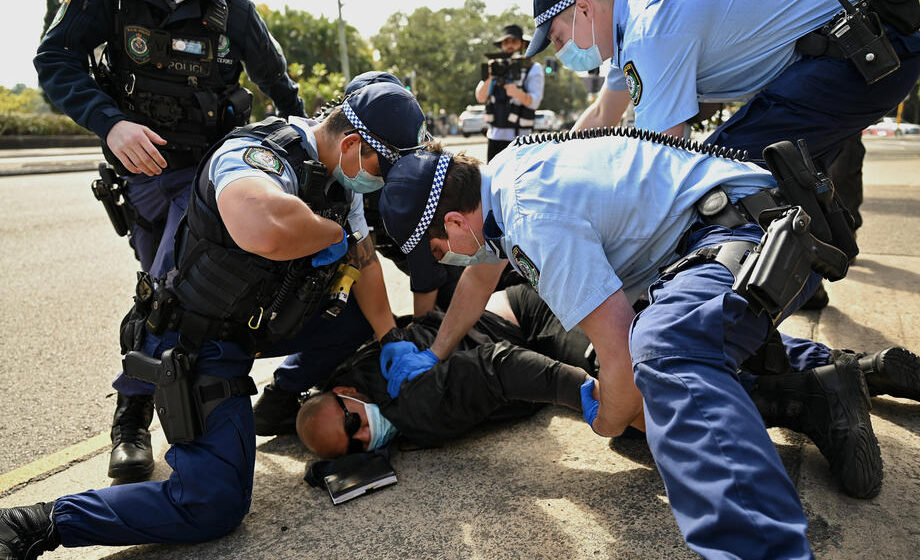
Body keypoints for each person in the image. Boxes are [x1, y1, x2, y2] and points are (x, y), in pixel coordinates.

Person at [373, 133, 913, 558]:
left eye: (440, 249)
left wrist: (607, 417)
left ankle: (762, 549)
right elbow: (478, 279)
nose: (447, 260)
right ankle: (827, 384)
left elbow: (622, 358)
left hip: (744, 233)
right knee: (653, 380)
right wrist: (436, 353)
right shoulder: (503, 179)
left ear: (451, 220)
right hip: (728, 228)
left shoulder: (530, 218)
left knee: (664, 352)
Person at [0, 82, 425, 558]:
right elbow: (260, 225)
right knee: (213, 505)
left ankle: (281, 400)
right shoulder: (257, 154)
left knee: (359, 319)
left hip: (260, 323)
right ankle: (36, 523)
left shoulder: (342, 180)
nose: (382, 183)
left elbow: (365, 262)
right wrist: (332, 232)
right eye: (382, 170)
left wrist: (393, 339)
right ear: (353, 145)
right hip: (200, 341)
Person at [34, 0, 306, 482]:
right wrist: (109, 122)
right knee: (151, 293)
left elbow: (273, 75)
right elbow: (54, 58)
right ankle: (157, 404)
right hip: (138, 178)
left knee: (165, 294)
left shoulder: (230, 8)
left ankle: (130, 421)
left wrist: (301, 133)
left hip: (202, 176)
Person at [526, 0, 920, 306]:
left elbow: (661, 161)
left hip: (865, 51)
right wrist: (543, 167)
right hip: (857, 51)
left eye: (558, 39)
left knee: (718, 186)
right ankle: (797, 274)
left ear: (582, 7)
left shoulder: (650, 32)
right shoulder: (632, 25)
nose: (561, 52)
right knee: (755, 177)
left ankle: (729, 314)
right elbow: (601, 113)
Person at [297, 284, 915, 467]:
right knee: (648, 367)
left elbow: (503, 366)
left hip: (531, 320)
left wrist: (593, 398)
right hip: (516, 312)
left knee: (632, 402)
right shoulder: (361, 381)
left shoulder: (412, 402)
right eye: (351, 447)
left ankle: (808, 397)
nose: (363, 437)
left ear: (347, 395)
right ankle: (861, 369)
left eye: (351, 425)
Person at [475, 24, 545, 161]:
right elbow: (480, 97)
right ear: (501, 45)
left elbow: (535, 102)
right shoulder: (495, 66)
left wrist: (517, 93)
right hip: (494, 138)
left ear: (522, 44)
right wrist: (489, 77)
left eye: (514, 41)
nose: (509, 46)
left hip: (521, 140)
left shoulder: (533, 68)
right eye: (506, 42)